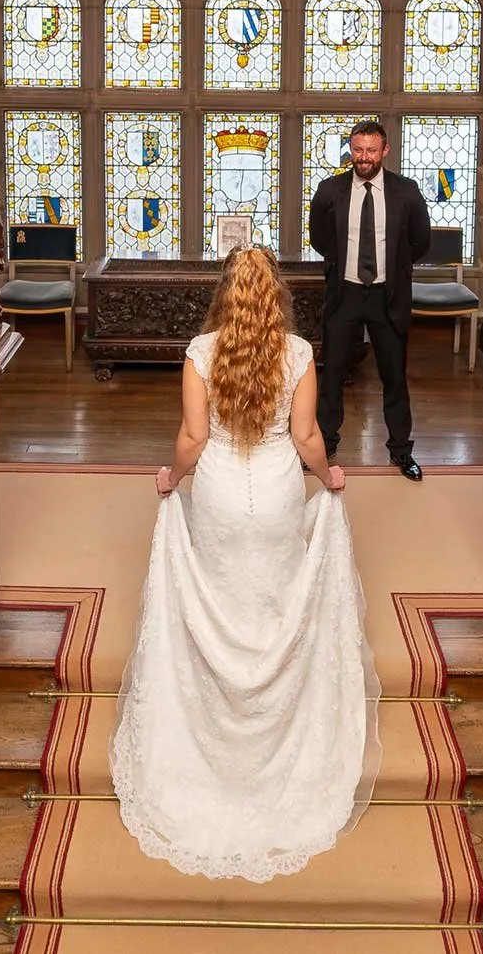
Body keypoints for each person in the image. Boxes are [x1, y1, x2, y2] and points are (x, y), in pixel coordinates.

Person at [111, 247, 382, 882]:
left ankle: (216, 716)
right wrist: (329, 474)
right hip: (279, 493)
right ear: (277, 294)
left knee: (222, 597)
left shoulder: (202, 353)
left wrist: (169, 476)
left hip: (221, 497)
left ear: (224, 292)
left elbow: (194, 438)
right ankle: (275, 703)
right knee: (272, 601)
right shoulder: (298, 353)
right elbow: (308, 436)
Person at [306, 118, 432, 480]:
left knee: (394, 377)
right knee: (331, 377)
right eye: (358, 150)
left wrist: (393, 265)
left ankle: (401, 451)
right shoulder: (330, 190)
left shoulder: (405, 191)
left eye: (371, 151)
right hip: (343, 294)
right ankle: (325, 444)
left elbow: (419, 242)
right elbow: (320, 239)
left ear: (385, 151)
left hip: (386, 296)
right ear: (350, 150)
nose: (364, 158)